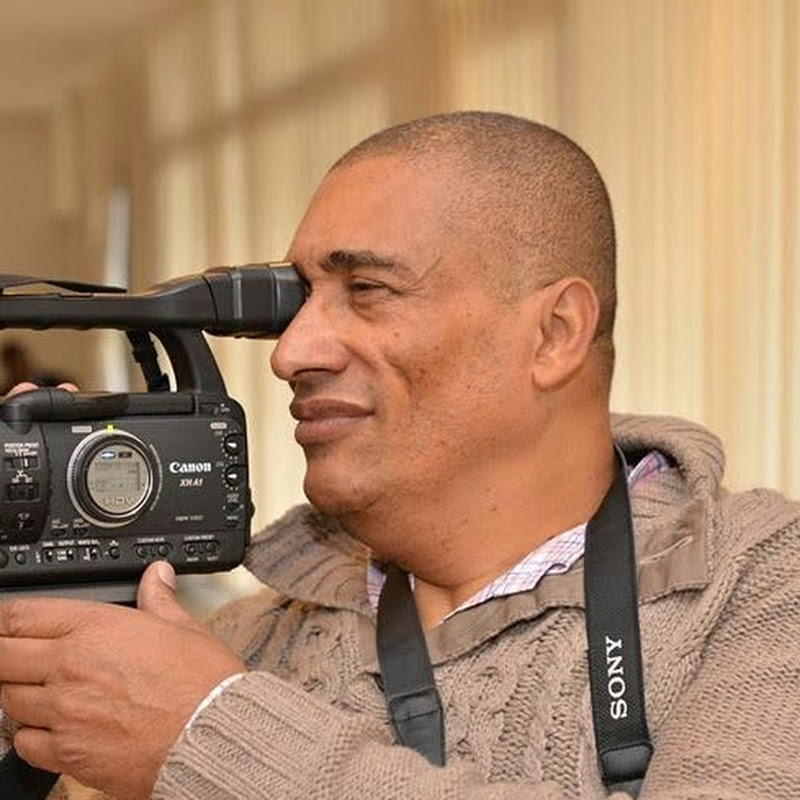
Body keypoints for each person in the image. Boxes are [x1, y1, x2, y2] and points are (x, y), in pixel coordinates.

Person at [0, 111, 798, 800]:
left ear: (555, 334)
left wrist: (211, 735)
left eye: (367, 290)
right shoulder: (233, 641)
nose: (291, 353)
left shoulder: (757, 589)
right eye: (299, 301)